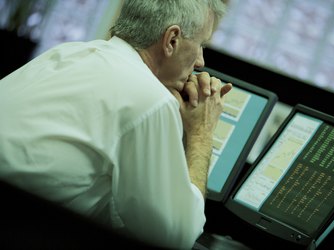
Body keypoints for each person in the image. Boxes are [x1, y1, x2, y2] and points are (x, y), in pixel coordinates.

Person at [0, 0, 232, 249]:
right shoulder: (150, 98)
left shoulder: (67, 52)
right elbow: (177, 237)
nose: (200, 62)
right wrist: (201, 132)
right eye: (200, 45)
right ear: (172, 40)